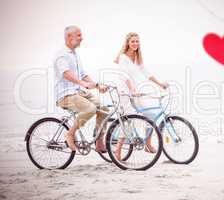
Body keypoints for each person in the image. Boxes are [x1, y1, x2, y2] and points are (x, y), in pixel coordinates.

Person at [114, 32, 168, 161]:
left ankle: (147, 144)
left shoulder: (137, 58)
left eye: (137, 41)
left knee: (151, 115)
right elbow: (124, 75)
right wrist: (132, 89)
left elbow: (146, 72)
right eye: (133, 41)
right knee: (128, 119)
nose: (135, 44)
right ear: (127, 42)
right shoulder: (123, 57)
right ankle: (118, 150)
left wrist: (160, 84)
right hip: (124, 91)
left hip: (135, 91)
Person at [54, 25, 108, 152]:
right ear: (69, 37)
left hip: (78, 92)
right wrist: (82, 83)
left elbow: (83, 74)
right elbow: (66, 73)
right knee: (90, 109)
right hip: (65, 95)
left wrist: (97, 85)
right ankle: (70, 134)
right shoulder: (61, 55)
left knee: (104, 110)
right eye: (78, 35)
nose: (82, 38)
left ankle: (99, 140)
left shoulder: (75, 54)